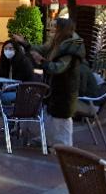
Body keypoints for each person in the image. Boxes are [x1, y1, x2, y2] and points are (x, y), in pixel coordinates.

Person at [14, 18, 85, 147]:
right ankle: (48, 140)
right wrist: (25, 43)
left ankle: (65, 147)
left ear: (61, 30)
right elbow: (42, 49)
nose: (51, 29)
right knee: (51, 116)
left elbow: (58, 68)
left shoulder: (70, 47)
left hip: (65, 88)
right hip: (55, 87)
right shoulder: (57, 43)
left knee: (62, 118)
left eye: (54, 27)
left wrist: (42, 61)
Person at [0, 39, 36, 104]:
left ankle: (9, 113)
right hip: (10, 89)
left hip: (24, 91)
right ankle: (2, 113)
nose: (8, 51)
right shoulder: (5, 62)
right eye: (5, 49)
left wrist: (8, 88)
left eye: (10, 48)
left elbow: (20, 82)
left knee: (3, 97)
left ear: (16, 50)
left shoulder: (23, 62)